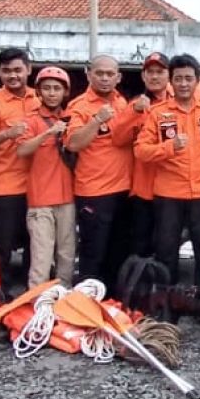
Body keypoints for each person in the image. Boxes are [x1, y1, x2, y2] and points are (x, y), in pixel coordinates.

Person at [133, 54, 200, 289]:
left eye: (189, 78)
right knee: (166, 250)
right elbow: (141, 151)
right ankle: (166, 302)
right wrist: (169, 147)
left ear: (198, 80)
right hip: (169, 195)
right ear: (171, 81)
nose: (184, 84)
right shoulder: (158, 113)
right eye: (178, 79)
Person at [65, 55, 140, 287]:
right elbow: (73, 143)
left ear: (118, 77)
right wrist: (97, 120)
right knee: (93, 254)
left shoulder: (121, 103)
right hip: (94, 192)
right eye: (100, 73)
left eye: (110, 74)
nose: (105, 78)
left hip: (124, 189)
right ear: (88, 74)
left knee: (117, 252)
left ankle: (113, 304)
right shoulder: (79, 106)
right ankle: (86, 305)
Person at [0, 47, 39, 294]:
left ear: (28, 70)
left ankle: (32, 297)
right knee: (2, 248)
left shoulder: (41, 97)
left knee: (37, 247)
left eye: (18, 70)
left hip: (40, 187)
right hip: (7, 187)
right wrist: (7, 134)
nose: (13, 76)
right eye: (7, 71)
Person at [17, 68, 75, 287]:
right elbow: (21, 150)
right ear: (39, 92)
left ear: (65, 92)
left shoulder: (71, 117)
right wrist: (48, 134)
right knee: (41, 257)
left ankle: (64, 300)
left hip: (68, 197)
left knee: (67, 254)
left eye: (57, 88)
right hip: (40, 200)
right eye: (47, 88)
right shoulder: (31, 120)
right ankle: (36, 303)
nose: (52, 93)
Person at [124, 51, 173, 259]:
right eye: (150, 72)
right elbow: (118, 138)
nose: (154, 77)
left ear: (168, 75)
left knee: (167, 244)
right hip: (143, 188)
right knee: (140, 244)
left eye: (159, 72)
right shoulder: (135, 105)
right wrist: (134, 112)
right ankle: (139, 287)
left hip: (172, 188)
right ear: (143, 76)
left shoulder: (180, 103)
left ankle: (165, 287)